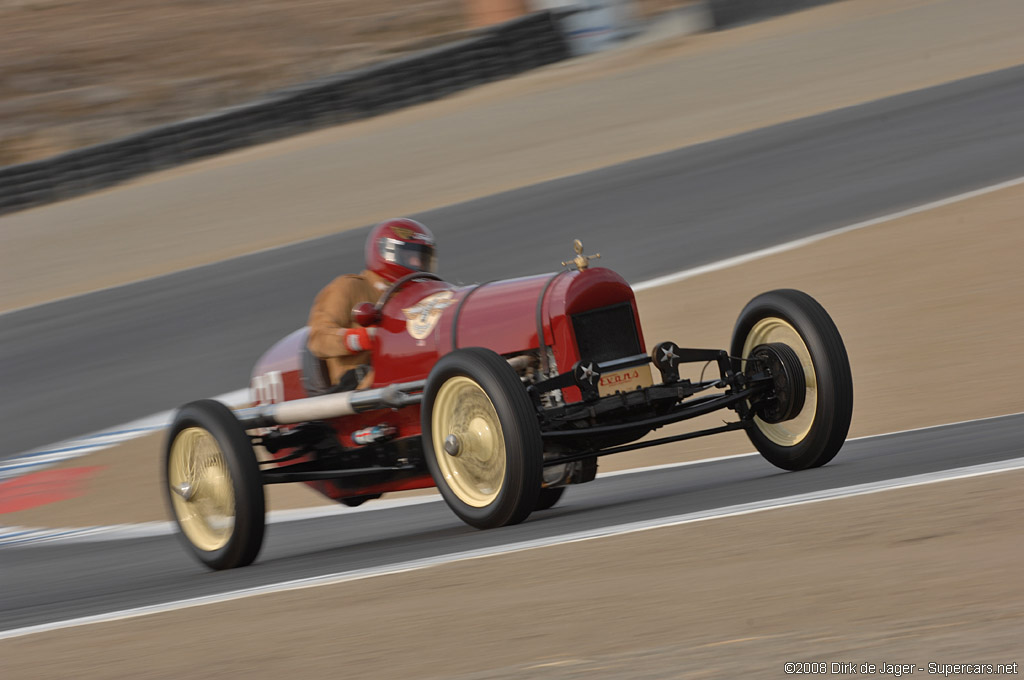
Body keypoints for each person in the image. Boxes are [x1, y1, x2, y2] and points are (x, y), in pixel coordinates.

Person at [307, 218, 437, 389]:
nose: (417, 263)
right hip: (361, 388)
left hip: (409, 369)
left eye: (422, 258)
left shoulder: (422, 295)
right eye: (409, 256)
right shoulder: (350, 286)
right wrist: (362, 338)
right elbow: (318, 339)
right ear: (385, 251)